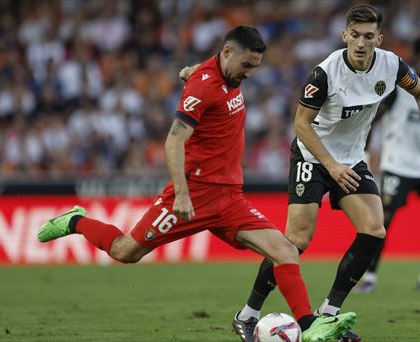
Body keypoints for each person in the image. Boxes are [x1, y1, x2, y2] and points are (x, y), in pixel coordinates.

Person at [37, 25, 356, 342]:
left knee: (285, 250)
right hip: (193, 195)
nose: (248, 74)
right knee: (125, 251)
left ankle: (309, 324)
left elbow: (203, 70)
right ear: (229, 52)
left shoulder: (224, 71)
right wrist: (183, 194)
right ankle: (75, 220)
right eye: (246, 65)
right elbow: (174, 140)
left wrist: (188, 70)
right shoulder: (204, 86)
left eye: (254, 68)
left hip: (230, 198)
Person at [226, 5, 420, 342]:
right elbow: (301, 124)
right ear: (345, 35)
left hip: (351, 159)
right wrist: (330, 164)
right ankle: (248, 314)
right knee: (296, 242)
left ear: (379, 38)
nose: (361, 43)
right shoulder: (325, 73)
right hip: (312, 157)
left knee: (374, 230)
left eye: (369, 36)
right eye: (355, 35)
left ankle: (328, 314)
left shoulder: (391, 65)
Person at [356, 35, 420, 294]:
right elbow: (373, 118)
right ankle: (369, 277)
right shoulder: (401, 85)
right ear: (419, 56)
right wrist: (365, 154)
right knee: (384, 220)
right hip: (397, 164)